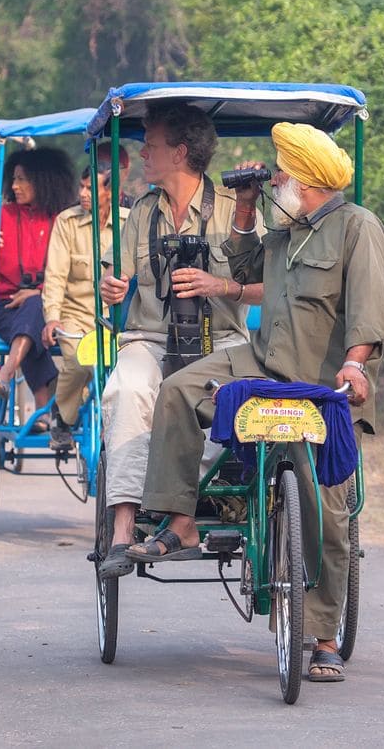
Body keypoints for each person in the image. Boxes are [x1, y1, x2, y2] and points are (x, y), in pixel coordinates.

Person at [128, 122, 384, 684]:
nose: (273, 177)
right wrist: (245, 209)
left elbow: (368, 311)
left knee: (326, 503)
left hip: (324, 383)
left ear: (305, 178)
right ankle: (181, 519)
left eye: (279, 172)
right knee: (176, 390)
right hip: (264, 362)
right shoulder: (286, 228)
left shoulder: (357, 228)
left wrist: (355, 363)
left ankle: (321, 637)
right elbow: (242, 272)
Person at [95, 102, 258, 579]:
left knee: (227, 402)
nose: (142, 152)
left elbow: (274, 284)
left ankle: (176, 503)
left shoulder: (235, 211)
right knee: (127, 389)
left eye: (152, 144)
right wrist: (113, 289)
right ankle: (124, 528)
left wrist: (221, 286)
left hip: (222, 338)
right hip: (151, 336)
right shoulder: (141, 213)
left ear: (180, 152)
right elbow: (117, 279)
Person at [0, 148, 76, 425]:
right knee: (30, 322)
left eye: (22, 180)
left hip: (52, 303)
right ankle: (43, 404)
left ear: (43, 181)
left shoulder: (61, 219)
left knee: (34, 307)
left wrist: (39, 292)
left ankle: (6, 373)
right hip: (5, 305)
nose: (15, 186)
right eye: (13, 179)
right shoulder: (2, 215)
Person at [40, 163, 130, 451]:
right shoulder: (66, 222)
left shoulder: (130, 223)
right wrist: (52, 318)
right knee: (79, 362)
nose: (83, 193)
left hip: (117, 319)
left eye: (91, 188)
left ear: (112, 192)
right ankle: (62, 416)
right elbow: (54, 276)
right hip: (75, 316)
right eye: (82, 187)